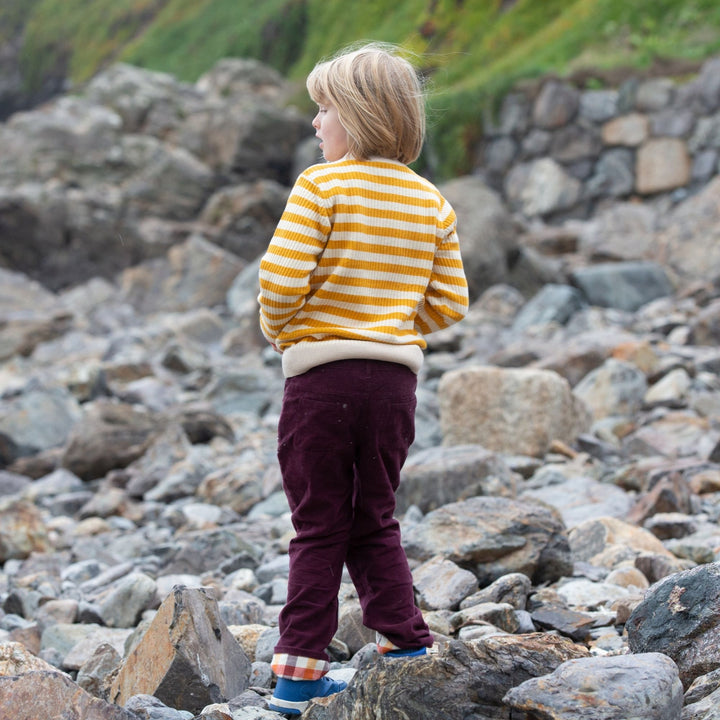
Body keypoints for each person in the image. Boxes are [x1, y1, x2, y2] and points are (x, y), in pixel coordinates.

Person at [257, 41, 469, 715]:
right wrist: (390, 316)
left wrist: (284, 331)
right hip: (393, 388)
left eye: (323, 108)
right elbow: (448, 304)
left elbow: (280, 285)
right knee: (375, 518)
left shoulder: (320, 187)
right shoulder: (430, 200)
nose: (316, 122)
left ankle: (297, 679)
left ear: (354, 115)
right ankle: (408, 650)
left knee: (318, 524)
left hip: (321, 382)